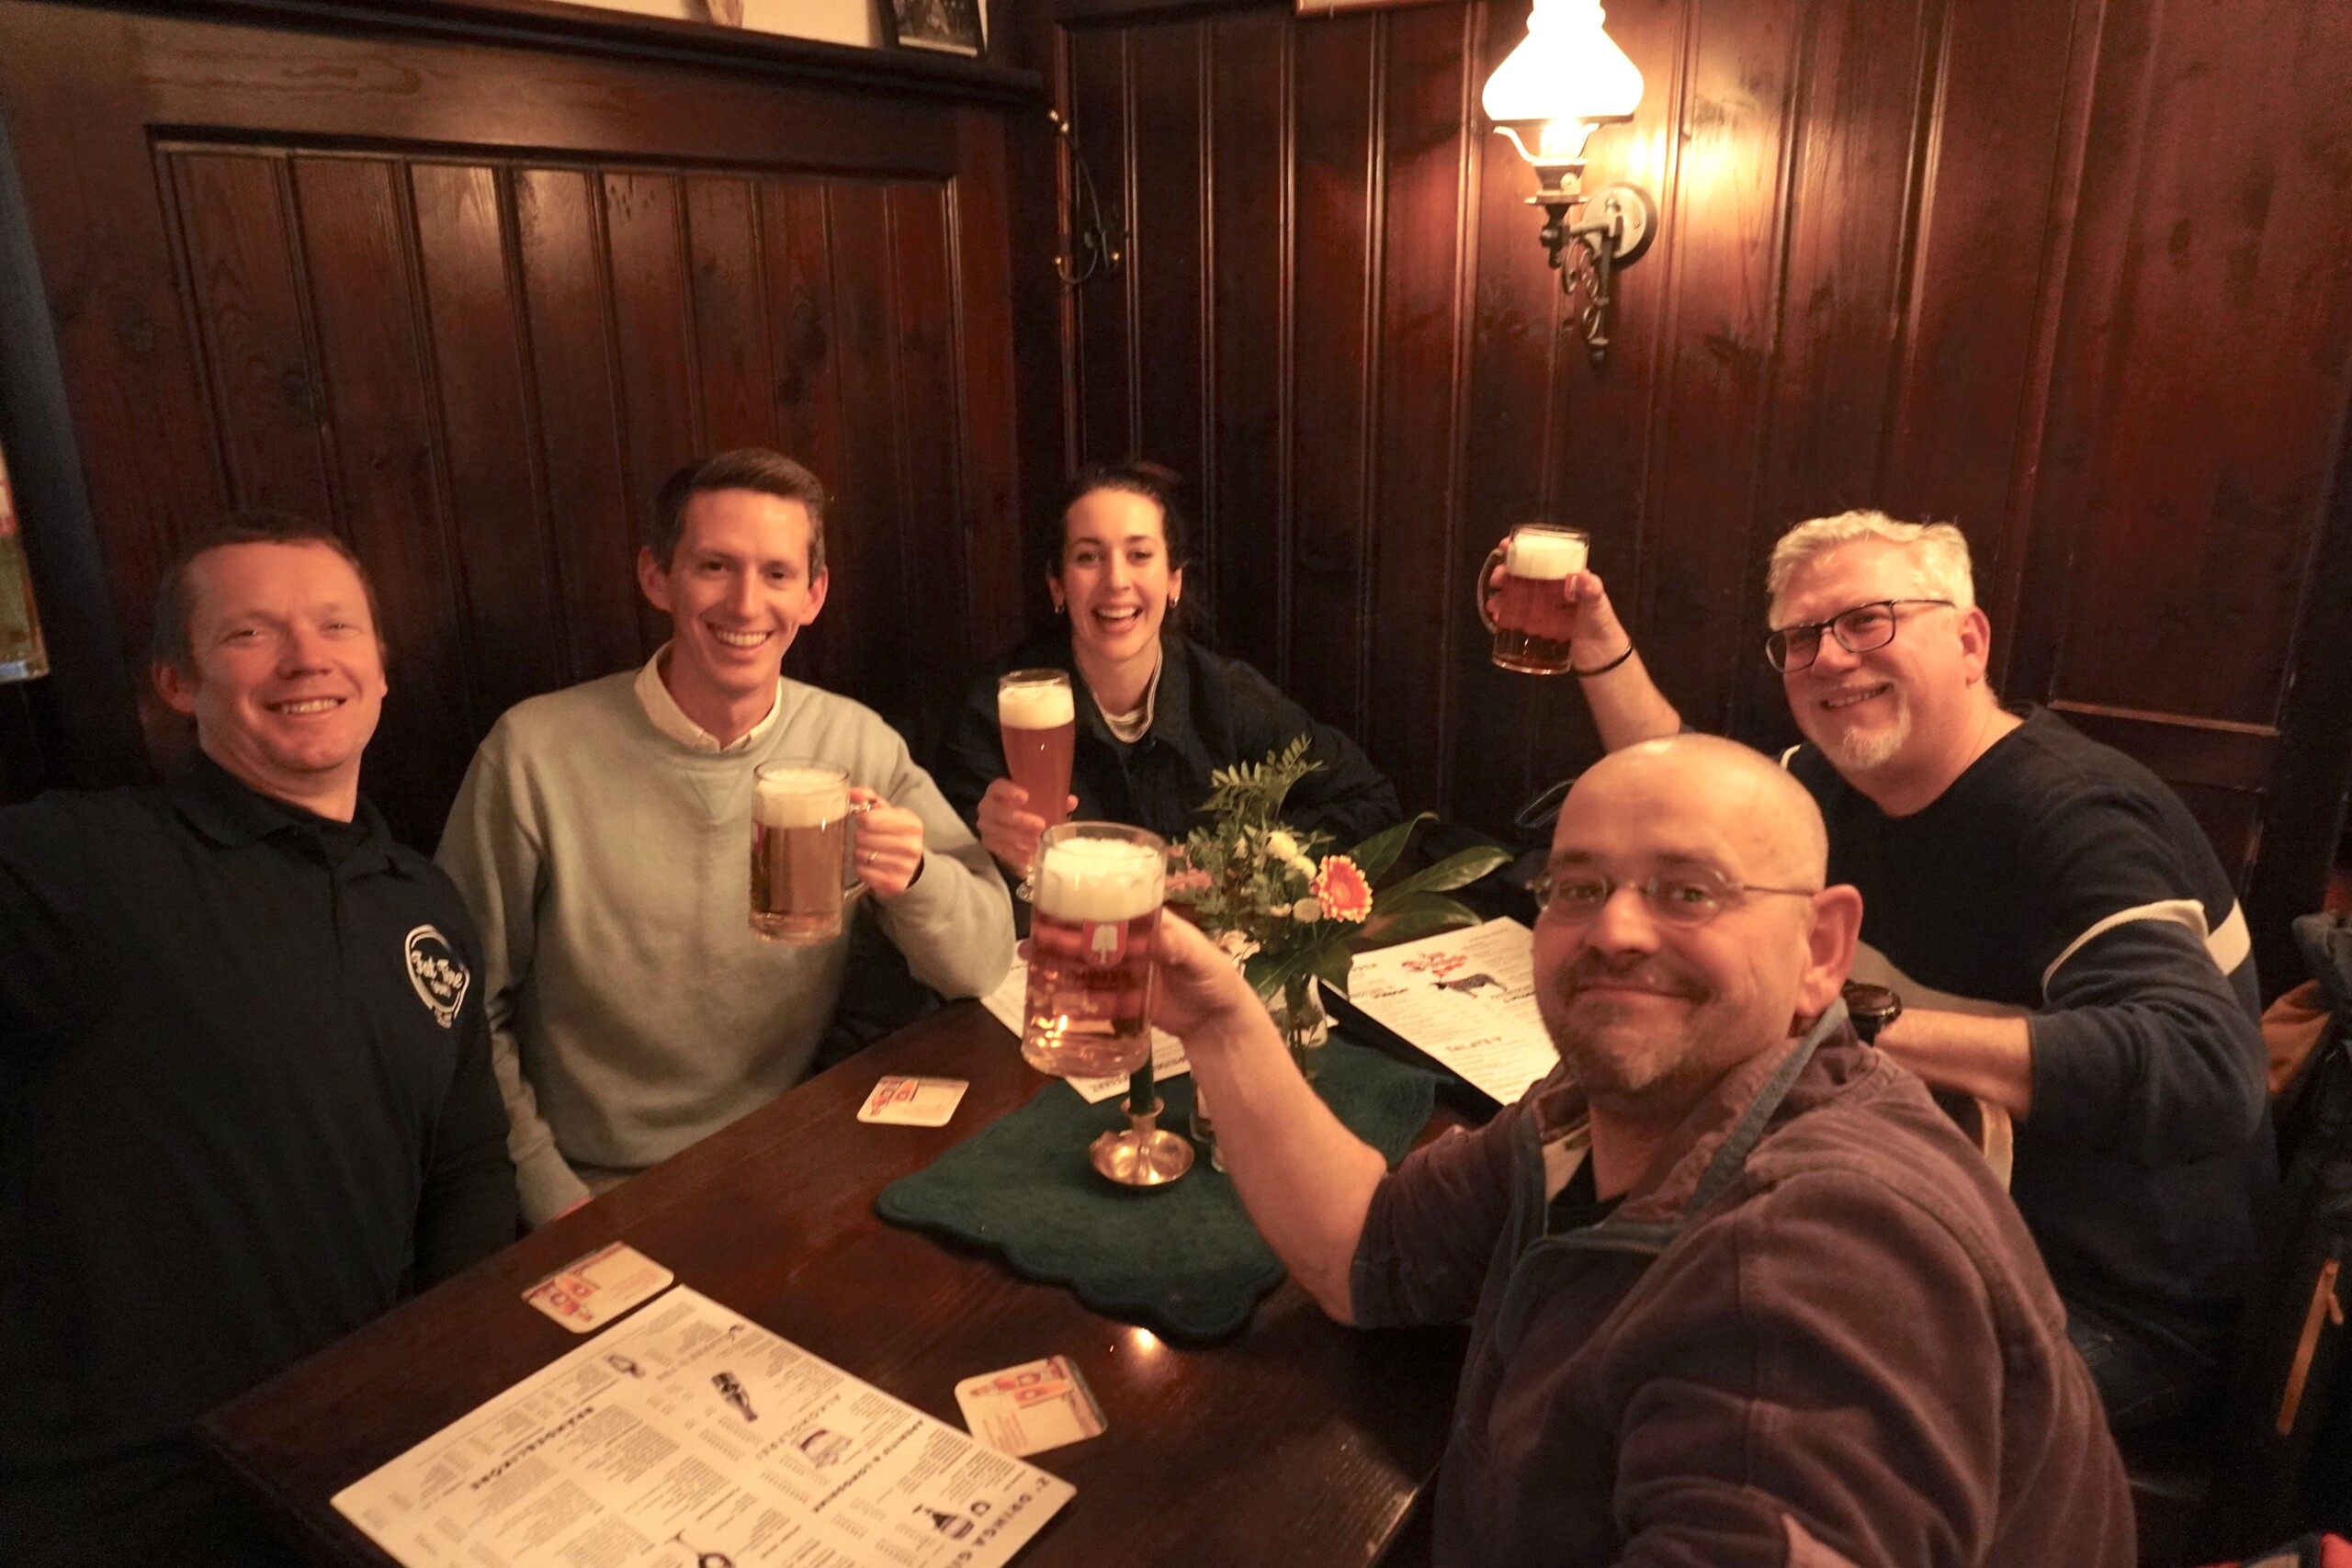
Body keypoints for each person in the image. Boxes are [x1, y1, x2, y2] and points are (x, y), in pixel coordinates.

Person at [1151, 734, 2132, 1563]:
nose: (1613, 930)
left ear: (1822, 950)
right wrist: (1219, 1019)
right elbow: (1366, 1254)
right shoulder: (1592, 1111)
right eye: (1575, 887)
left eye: (1688, 891)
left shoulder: (1814, 1260)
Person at [1546, 509, 2273, 1428]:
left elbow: (2208, 1068)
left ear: (1969, 641)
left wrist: (1845, 1023)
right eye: (1802, 637)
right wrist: (1599, 654)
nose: (1831, 657)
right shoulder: (1831, 783)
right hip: (1928, 1225)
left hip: (2113, 1301)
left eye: (1868, 620)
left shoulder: (2072, 814)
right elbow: (1681, 784)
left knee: (1734, 1407)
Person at [0, 516, 517, 1566]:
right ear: (177, 683)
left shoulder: (420, 900)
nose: (306, 656)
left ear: (379, 669)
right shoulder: (80, 864)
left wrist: (454, 1378)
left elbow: (465, 1165)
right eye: (249, 633)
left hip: (364, 1455)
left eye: (337, 626)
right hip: (125, 1494)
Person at [437, 449, 1012, 1227]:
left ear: (814, 595)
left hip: (795, 1156)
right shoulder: (534, 752)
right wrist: (549, 1191)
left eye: (777, 574)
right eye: (715, 565)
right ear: (655, 576)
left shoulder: (854, 740)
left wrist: (914, 879)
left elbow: (982, 961)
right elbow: (464, 1009)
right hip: (599, 1187)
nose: (746, 603)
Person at [932, 461, 1400, 880]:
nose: (1116, 580)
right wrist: (989, 852)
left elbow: (1369, 803)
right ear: (1057, 587)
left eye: (1139, 554)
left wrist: (1235, 861)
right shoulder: (995, 711)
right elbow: (946, 890)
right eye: (1088, 557)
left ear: (1174, 580)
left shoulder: (1225, 695)